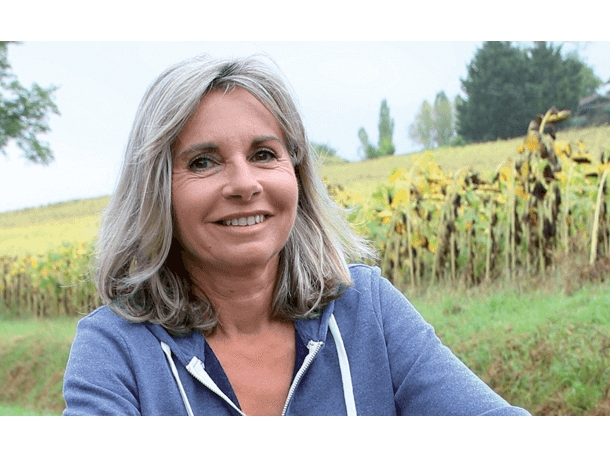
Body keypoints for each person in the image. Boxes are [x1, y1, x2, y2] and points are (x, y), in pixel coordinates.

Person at [63, 54, 530, 416]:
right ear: (156, 191)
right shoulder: (115, 348)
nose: (245, 184)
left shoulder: (367, 310)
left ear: (298, 175)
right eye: (203, 162)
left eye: (264, 154)